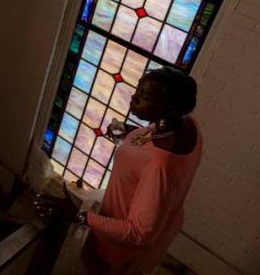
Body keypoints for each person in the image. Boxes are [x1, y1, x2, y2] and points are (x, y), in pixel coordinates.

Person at [35, 67, 202, 275]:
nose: (133, 98)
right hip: (160, 221)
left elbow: (138, 232)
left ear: (169, 109)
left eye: (145, 96)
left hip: (116, 248)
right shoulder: (187, 125)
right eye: (138, 89)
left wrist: (79, 215)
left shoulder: (160, 166)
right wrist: (133, 134)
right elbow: (153, 143)